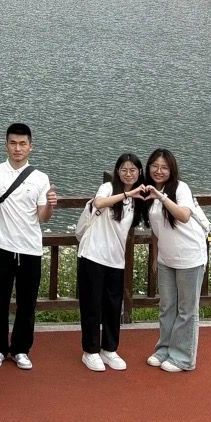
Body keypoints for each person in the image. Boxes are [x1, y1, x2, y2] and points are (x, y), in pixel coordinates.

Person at [0, 122, 57, 370]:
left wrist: (51, 205)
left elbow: (43, 217)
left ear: (30, 147)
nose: (17, 148)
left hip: (30, 248)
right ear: (6, 145)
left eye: (22, 144)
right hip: (1, 245)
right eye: (13, 143)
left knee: (27, 302)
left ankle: (21, 349)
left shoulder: (40, 178)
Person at [141, 148, 207, 373]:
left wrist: (161, 196)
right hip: (166, 259)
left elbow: (184, 215)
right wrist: (155, 257)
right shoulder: (148, 193)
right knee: (166, 306)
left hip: (190, 257)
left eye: (164, 167)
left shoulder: (180, 188)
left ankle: (183, 357)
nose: (158, 171)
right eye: (155, 166)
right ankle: (164, 349)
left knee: (186, 309)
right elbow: (156, 230)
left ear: (172, 170)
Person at [77, 152, 144, 372]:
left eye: (132, 170)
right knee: (92, 305)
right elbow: (99, 202)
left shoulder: (139, 198)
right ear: (117, 171)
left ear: (139, 172)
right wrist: (128, 193)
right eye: (124, 170)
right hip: (93, 254)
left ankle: (109, 348)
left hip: (116, 259)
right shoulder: (108, 188)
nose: (128, 174)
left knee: (113, 306)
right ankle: (90, 351)